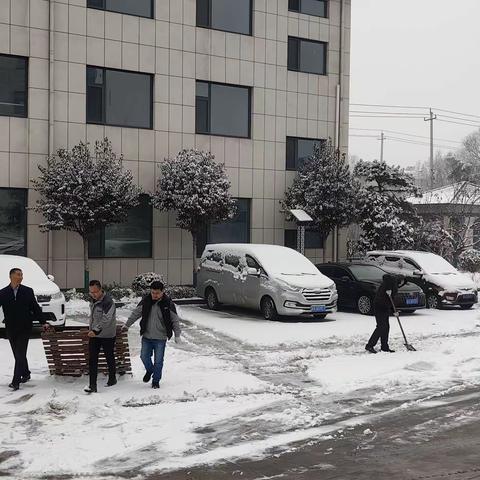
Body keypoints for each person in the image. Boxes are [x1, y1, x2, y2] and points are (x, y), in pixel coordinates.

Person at [123, 281, 181, 389]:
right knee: (144, 357)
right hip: (147, 336)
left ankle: (155, 381)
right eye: (153, 292)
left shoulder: (168, 303)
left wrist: (177, 334)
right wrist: (127, 325)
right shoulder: (146, 301)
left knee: (158, 361)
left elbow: (175, 320)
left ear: (162, 292)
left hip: (160, 338)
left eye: (157, 293)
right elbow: (135, 313)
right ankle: (150, 370)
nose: (154, 295)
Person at [0, 268, 46, 391]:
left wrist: (43, 322)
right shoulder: (3, 293)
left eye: (22, 275)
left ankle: (16, 381)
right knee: (18, 353)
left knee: (20, 353)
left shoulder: (27, 291)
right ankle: (25, 373)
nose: (21, 277)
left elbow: (35, 307)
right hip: (11, 327)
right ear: (11, 276)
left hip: (25, 327)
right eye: (18, 274)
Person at [84, 280, 117, 393]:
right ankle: (92, 385)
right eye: (91, 292)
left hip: (107, 335)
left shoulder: (108, 302)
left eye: (95, 292)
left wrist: (96, 330)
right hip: (94, 335)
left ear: (100, 289)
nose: (93, 294)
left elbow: (106, 319)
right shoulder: (93, 300)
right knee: (92, 359)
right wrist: (92, 330)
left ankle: (112, 378)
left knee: (109, 356)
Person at [365, 274, 406, 354]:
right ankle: (369, 345)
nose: (401, 284)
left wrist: (395, 310)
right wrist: (388, 288)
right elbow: (386, 277)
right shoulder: (391, 283)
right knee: (381, 327)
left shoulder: (393, 284)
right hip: (379, 306)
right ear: (400, 280)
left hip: (384, 307)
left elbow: (391, 299)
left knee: (386, 327)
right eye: (402, 282)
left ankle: (384, 347)